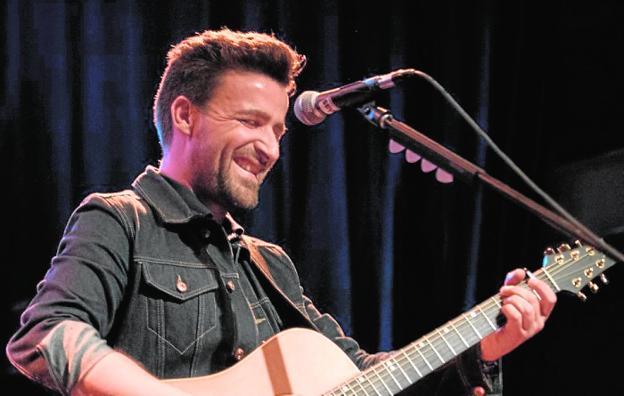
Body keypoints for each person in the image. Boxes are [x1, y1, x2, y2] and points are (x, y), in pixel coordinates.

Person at [6, 28, 556, 396]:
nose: (270, 148)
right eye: (249, 122)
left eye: (277, 131)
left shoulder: (270, 265)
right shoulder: (120, 220)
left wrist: (484, 343)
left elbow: (358, 377)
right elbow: (49, 333)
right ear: (185, 115)